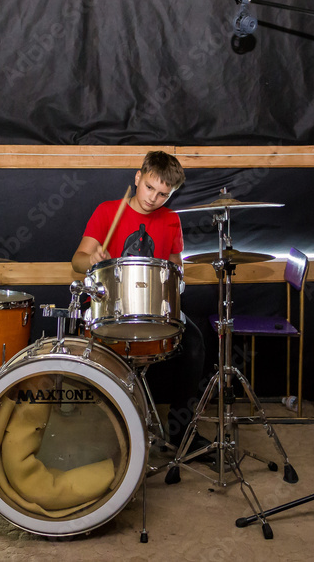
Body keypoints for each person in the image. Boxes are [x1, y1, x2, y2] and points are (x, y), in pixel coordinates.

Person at [71, 151, 207, 451]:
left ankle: (180, 429)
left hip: (153, 308)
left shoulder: (171, 221)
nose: (153, 198)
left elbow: (174, 265)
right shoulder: (108, 211)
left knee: (195, 344)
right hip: (110, 306)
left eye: (163, 194)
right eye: (149, 187)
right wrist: (91, 259)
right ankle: (106, 431)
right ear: (137, 177)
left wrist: (177, 274)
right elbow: (77, 262)